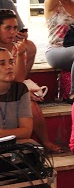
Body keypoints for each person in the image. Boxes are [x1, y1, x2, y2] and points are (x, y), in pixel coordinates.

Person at [0, 10, 57, 152]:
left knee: (33, 108)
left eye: (15, 28)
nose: (12, 32)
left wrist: (21, 54)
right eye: (7, 28)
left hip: (15, 86)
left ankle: (46, 141)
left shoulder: (22, 47)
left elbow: (19, 79)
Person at [0, 48, 34, 143]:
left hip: (9, 143)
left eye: (11, 62)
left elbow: (26, 131)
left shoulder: (20, 89)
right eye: (2, 63)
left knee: (33, 145)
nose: (9, 67)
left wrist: (2, 134)